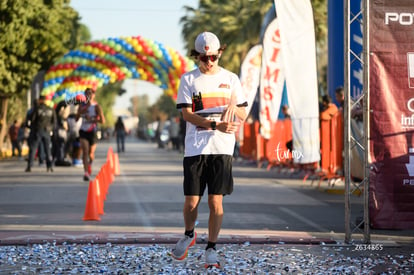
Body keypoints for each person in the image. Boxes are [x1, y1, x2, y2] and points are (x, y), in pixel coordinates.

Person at [171, 31, 247, 268]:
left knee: (216, 203)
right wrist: (215, 124)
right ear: (197, 57)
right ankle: (189, 233)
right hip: (195, 149)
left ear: (219, 53)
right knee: (191, 202)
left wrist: (234, 108)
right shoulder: (189, 80)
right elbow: (187, 114)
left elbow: (243, 114)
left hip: (222, 149)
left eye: (213, 57)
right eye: (204, 59)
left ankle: (211, 248)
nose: (209, 62)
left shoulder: (232, 79)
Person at [76, 87, 105, 181]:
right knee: (85, 151)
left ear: (93, 95)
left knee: (91, 153)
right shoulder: (81, 105)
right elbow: (76, 118)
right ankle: (86, 173)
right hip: (83, 131)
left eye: (90, 93)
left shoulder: (97, 106)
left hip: (93, 131)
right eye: (86, 93)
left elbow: (102, 121)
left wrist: (92, 119)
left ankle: (90, 164)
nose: (88, 95)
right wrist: (82, 111)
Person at [25, 95, 56, 172]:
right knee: (48, 149)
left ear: (40, 100)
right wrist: (50, 129)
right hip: (47, 131)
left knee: (33, 149)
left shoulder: (37, 109)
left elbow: (32, 120)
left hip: (37, 130)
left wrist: (31, 127)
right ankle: (49, 166)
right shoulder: (51, 110)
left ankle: (29, 166)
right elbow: (54, 122)